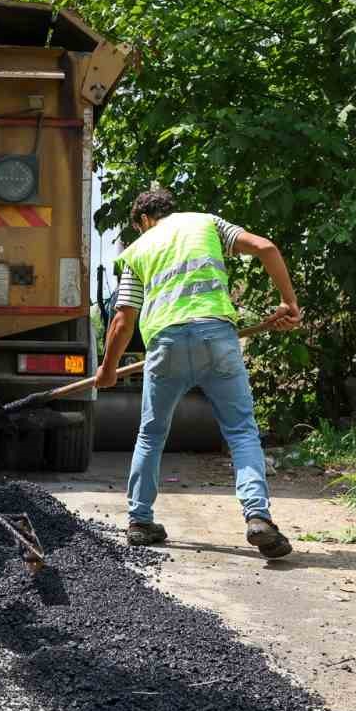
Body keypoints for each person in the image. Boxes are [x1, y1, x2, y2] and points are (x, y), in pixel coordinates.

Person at [92, 187, 302, 558]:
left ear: (143, 220)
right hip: (216, 338)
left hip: (166, 345)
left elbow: (123, 320)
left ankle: (140, 520)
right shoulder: (207, 224)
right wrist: (289, 303)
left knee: (151, 434)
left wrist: (107, 370)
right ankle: (258, 517)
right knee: (240, 431)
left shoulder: (138, 250)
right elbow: (266, 248)